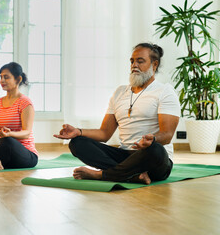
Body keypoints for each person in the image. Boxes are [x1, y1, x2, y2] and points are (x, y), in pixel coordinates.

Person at [54, 43, 180, 184]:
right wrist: (78, 131)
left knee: (156, 150)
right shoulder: (120, 92)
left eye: (140, 61)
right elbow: (104, 133)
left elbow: (167, 135)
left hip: (150, 159)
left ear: (154, 65)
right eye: (132, 61)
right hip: (125, 156)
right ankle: (131, 175)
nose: (134, 65)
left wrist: (152, 139)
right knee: (77, 143)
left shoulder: (165, 92)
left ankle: (103, 175)